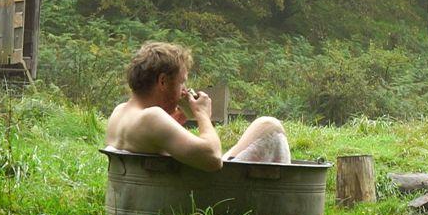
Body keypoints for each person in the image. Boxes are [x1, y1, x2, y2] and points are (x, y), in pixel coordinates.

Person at [105, 41, 291, 172]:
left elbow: (155, 142)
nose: (184, 90)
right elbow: (213, 159)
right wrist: (202, 115)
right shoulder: (152, 118)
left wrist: (175, 119)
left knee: (265, 126)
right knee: (269, 125)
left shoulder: (120, 111)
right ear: (162, 81)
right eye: (181, 83)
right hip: (194, 196)